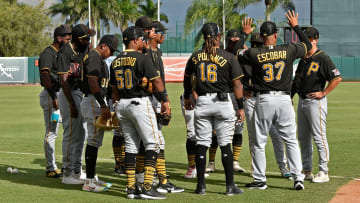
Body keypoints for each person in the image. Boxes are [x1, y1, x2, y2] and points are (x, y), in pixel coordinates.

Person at [242, 11, 312, 190]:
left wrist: (245, 34)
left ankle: (260, 180)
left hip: (264, 99)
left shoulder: (254, 53)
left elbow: (234, 53)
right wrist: (295, 25)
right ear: (276, 35)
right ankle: (298, 178)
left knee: (259, 142)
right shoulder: (288, 49)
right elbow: (308, 46)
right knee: (290, 140)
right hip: (284, 100)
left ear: (261, 36)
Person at [183, 22, 245, 196]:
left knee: (202, 144)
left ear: (204, 37)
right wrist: (240, 108)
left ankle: (201, 186)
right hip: (222, 102)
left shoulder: (195, 57)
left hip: (202, 102)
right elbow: (237, 84)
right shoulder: (228, 57)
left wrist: (188, 96)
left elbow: (187, 79)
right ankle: (230, 186)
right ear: (218, 37)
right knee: (225, 145)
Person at [110, 26, 170, 200]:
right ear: (134, 40)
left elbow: (113, 90)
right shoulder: (141, 58)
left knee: (130, 146)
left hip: (122, 104)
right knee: (154, 143)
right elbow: (157, 81)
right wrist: (165, 100)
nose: (143, 42)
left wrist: (116, 106)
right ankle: (147, 186)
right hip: (139, 103)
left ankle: (130, 187)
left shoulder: (115, 60)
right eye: (141, 39)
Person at [292, 27, 342, 183]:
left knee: (319, 137)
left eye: (307, 38)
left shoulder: (322, 58)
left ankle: (323, 171)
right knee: (303, 138)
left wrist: (324, 92)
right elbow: (296, 82)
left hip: (316, 102)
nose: (304, 42)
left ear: (315, 39)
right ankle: (306, 170)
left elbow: (337, 77)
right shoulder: (303, 59)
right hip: (302, 101)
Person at [239, 32, 292, 179]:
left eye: (258, 44)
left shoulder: (255, 56)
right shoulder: (251, 56)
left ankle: (282, 166)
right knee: (255, 136)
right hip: (252, 98)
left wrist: (244, 36)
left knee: (274, 134)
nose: (256, 46)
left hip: (263, 98)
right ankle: (257, 169)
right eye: (254, 44)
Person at [148, 21, 184, 193]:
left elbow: (160, 80)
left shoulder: (157, 52)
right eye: (162, 32)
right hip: (149, 100)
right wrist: (164, 100)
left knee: (152, 140)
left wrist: (165, 98)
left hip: (156, 99)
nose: (164, 36)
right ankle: (160, 180)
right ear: (154, 34)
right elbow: (153, 81)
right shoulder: (146, 53)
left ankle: (152, 177)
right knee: (156, 141)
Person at [80, 35, 120, 192]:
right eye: (111, 50)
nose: (111, 54)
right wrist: (103, 104)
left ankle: (92, 177)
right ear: (103, 45)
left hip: (96, 99)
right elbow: (92, 81)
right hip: (92, 100)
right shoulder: (94, 56)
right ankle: (89, 182)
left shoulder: (98, 58)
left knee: (95, 140)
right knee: (93, 140)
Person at [57, 24, 94, 184]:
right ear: (78, 39)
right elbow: (64, 80)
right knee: (71, 133)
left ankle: (77, 170)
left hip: (79, 92)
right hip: (68, 94)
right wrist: (71, 104)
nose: (89, 40)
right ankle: (67, 173)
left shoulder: (84, 49)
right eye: (86, 37)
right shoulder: (65, 52)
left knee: (81, 133)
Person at [39, 24, 71, 178]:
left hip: (60, 94)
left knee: (67, 129)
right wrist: (54, 97)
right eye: (67, 37)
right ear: (59, 38)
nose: (69, 39)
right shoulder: (48, 53)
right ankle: (50, 167)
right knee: (52, 132)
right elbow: (45, 76)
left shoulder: (62, 53)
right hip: (51, 95)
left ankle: (67, 166)